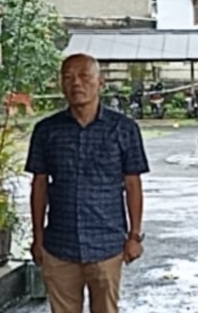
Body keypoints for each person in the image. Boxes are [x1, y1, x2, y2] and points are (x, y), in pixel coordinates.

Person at [25, 53, 149, 313]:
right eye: (68, 78)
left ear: (101, 83)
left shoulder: (124, 128)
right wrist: (38, 238)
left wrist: (135, 236)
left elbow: (133, 185)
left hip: (107, 243)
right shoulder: (46, 130)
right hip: (59, 244)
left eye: (84, 76)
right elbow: (39, 186)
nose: (76, 84)